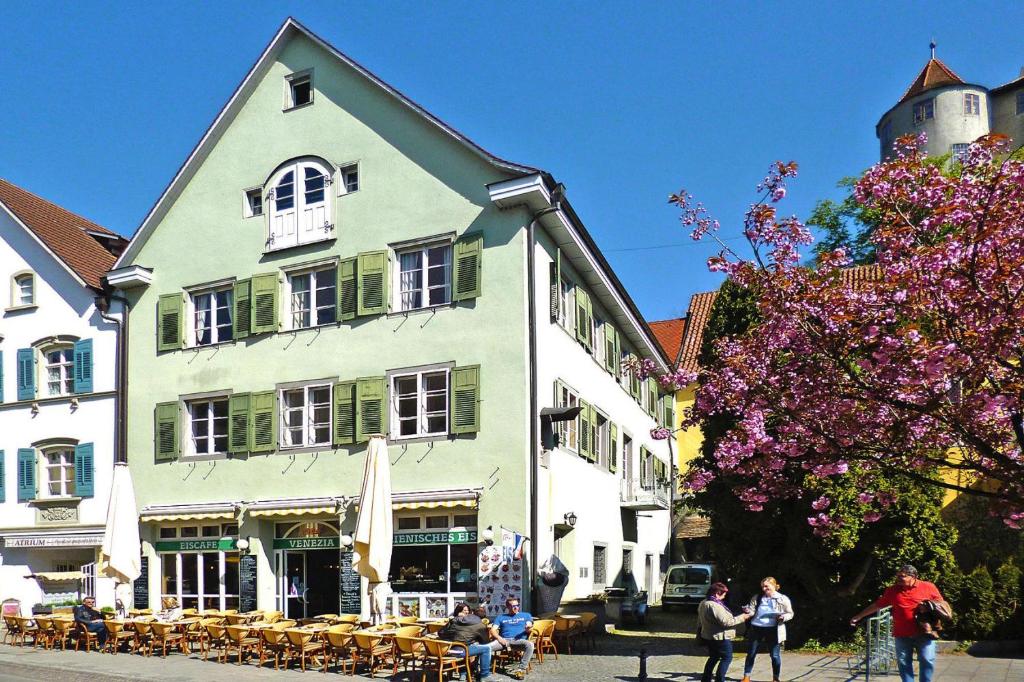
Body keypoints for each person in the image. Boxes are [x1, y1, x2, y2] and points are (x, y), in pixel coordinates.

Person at [849, 564, 945, 682]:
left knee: (927, 659)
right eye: (897, 576)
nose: (898, 578)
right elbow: (878, 605)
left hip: (925, 632)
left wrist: (930, 607)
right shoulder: (892, 590)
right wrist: (859, 616)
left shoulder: (928, 587)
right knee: (903, 662)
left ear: (913, 576)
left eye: (902, 576)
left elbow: (941, 603)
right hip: (902, 633)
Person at [741, 577, 794, 682]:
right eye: (762, 587)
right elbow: (752, 611)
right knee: (751, 652)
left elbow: (790, 613)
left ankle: (775, 678)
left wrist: (783, 617)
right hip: (756, 627)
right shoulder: (757, 597)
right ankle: (746, 677)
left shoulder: (783, 599)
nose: (764, 589)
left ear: (774, 586)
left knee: (774, 655)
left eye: (766, 586)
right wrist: (747, 611)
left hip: (773, 629)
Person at [697, 582, 752, 682]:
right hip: (720, 637)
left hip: (709, 636)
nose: (725, 596)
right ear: (718, 593)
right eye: (724, 593)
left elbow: (700, 621)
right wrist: (742, 617)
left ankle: (706, 679)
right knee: (727, 658)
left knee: (713, 657)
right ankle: (720, 679)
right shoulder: (714, 605)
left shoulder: (704, 602)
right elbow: (726, 622)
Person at [439, 602, 500, 681]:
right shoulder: (479, 624)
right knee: (486, 649)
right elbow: (485, 642)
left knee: (466, 647)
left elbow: (441, 633)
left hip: (446, 650)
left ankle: (463, 674)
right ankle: (484, 675)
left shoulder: (453, 620)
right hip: (461, 651)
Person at [490, 597, 535, 679]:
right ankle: (480, 669)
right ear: (507, 607)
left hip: (518, 641)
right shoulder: (501, 617)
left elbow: (529, 626)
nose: (516, 607)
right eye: (513, 606)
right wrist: (500, 638)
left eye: (517, 605)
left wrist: (528, 628)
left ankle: (521, 670)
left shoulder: (526, 615)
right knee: (485, 648)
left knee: (530, 645)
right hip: (503, 641)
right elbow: (493, 630)